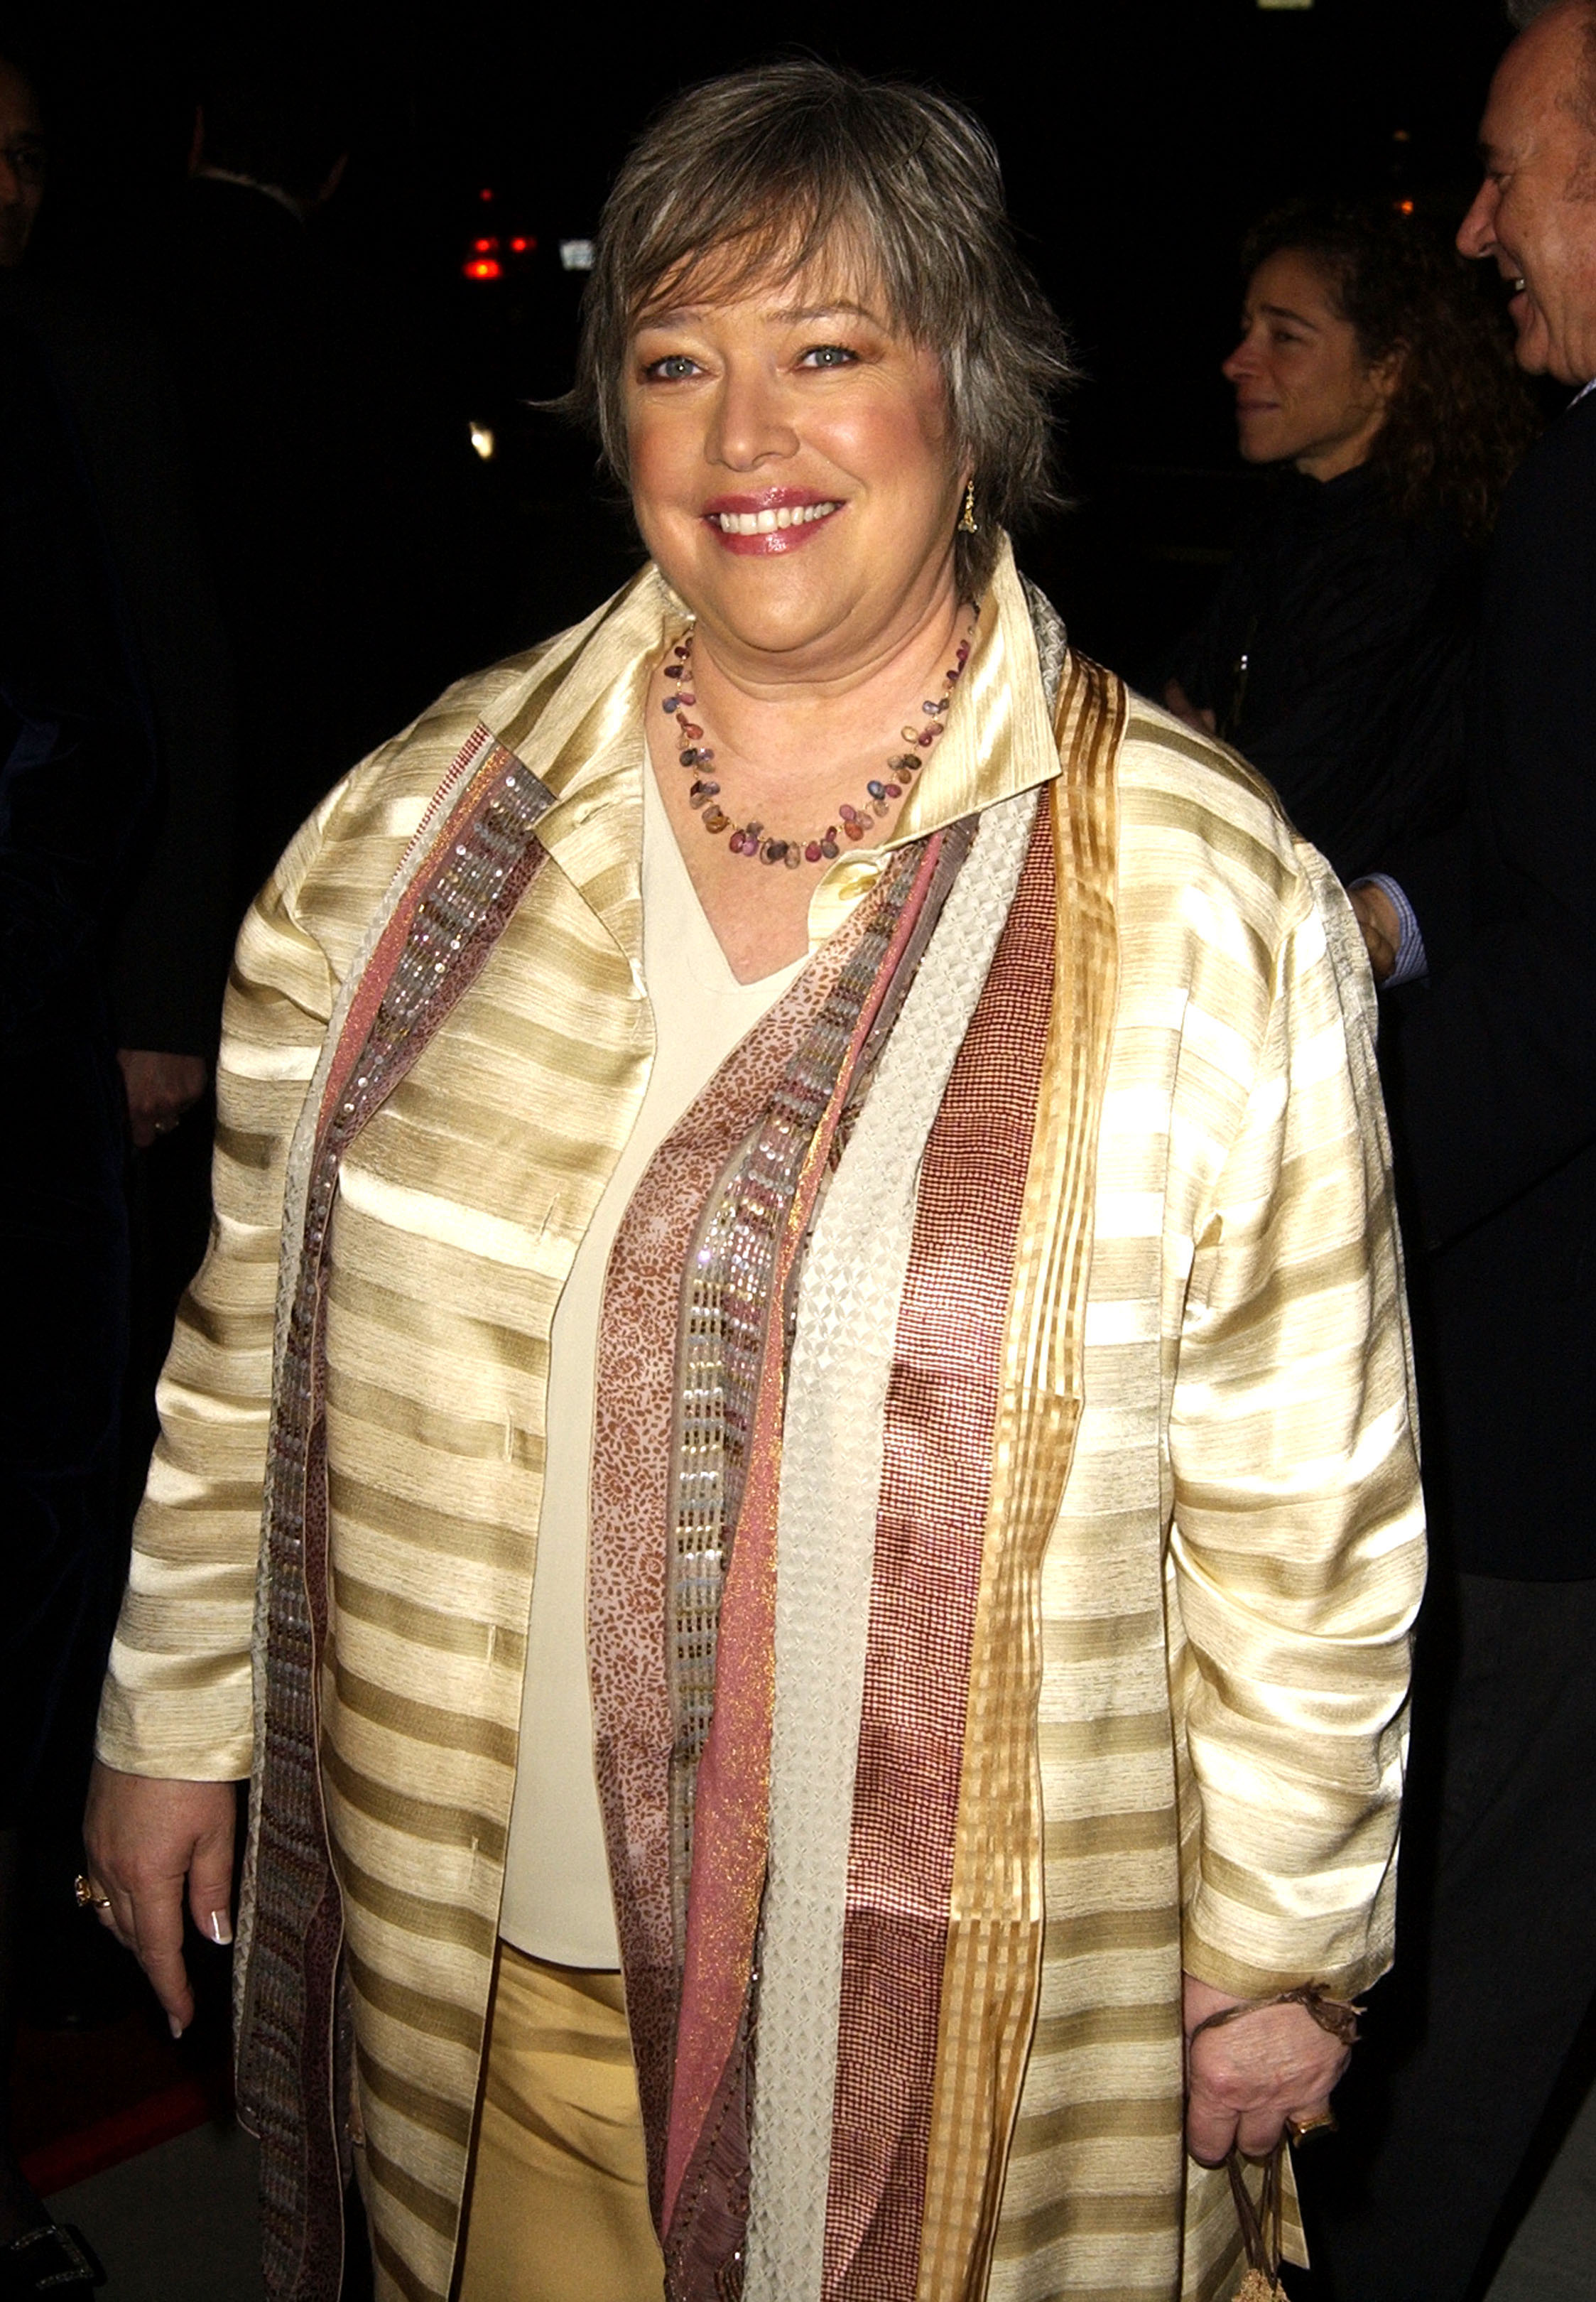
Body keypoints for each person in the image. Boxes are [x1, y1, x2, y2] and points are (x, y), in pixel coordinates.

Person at [82, 63, 1423, 2302]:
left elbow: (1303, 1489)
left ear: (966, 397)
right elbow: (247, 1332)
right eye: (675, 363)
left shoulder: (1189, 890)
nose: (741, 436)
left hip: (952, 2038)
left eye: (826, 352)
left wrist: (1279, 1943)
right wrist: (170, 1718)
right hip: (471, 1954)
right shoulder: (420, 830)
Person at [1301, 5, 1596, 2297]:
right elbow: (1540, 865)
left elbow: (1578, 976)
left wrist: (1300, 1176)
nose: (1470, 224)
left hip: (1549, 1394)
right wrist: (1372, 915)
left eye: (1506, 172)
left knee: (1462, 1966)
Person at [1164, 200, 1534, 887]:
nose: (1237, 362)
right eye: (1248, 329)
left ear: (1387, 369)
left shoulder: (1417, 565)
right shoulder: (1290, 522)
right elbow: (1176, 699)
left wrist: (1195, 760)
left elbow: (1279, 816)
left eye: (1286, 337)